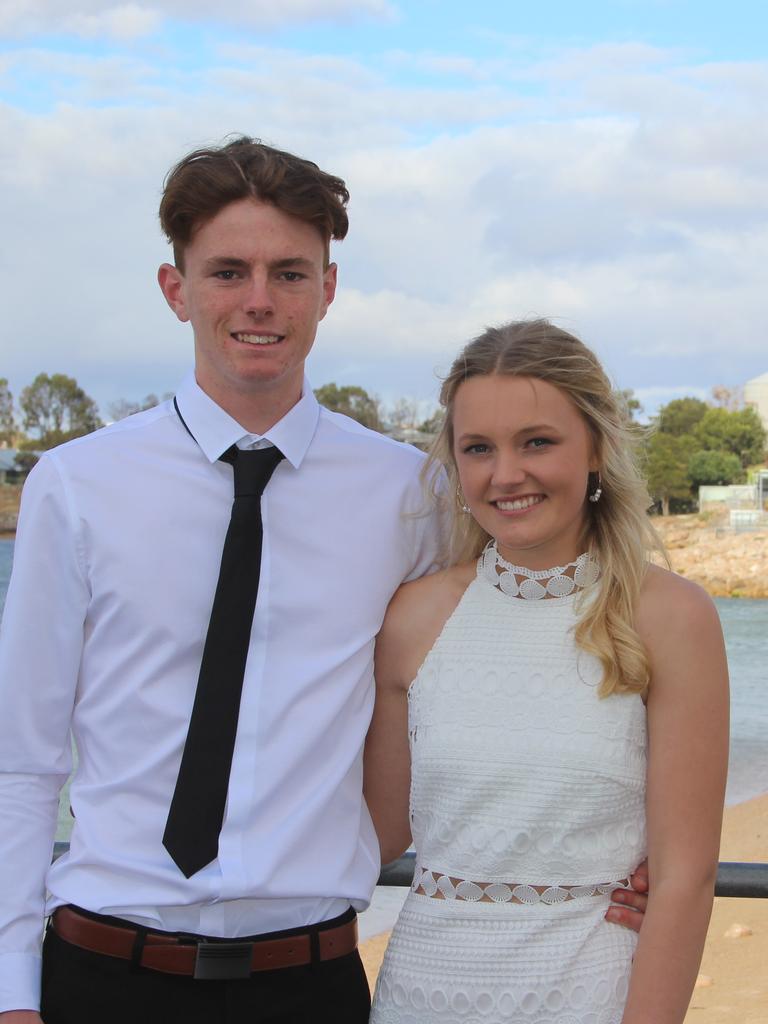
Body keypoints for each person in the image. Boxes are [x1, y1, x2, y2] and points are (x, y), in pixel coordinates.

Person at [0, 140, 648, 1024]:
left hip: (311, 984)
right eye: (228, 271)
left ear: (328, 290)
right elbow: (22, 759)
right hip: (101, 969)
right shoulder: (75, 487)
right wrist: (10, 989)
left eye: (290, 273)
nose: (259, 300)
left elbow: (515, 660)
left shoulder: (410, 496)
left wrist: (632, 837)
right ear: (174, 288)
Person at [364, 320, 729, 1024]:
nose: (506, 474)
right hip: (420, 991)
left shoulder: (670, 616)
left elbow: (686, 876)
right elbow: (373, 833)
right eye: (478, 449)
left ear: (595, 447)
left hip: (589, 993)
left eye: (537, 441)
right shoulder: (412, 618)